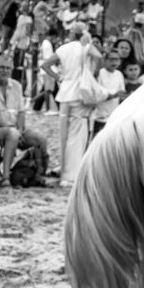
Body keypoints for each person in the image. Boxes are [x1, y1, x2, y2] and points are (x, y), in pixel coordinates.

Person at [42, 30, 102, 187]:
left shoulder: (63, 48)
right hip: (79, 92)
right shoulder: (85, 47)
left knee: (64, 136)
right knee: (77, 135)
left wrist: (59, 77)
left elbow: (45, 65)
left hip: (65, 91)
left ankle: (64, 172)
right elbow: (98, 56)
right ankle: (71, 174)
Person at [0, 53, 50, 186]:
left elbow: (21, 112)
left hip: (16, 128)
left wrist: (20, 129)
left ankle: (39, 176)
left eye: (8, 68)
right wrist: (10, 129)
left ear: (12, 70)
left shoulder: (17, 86)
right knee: (12, 134)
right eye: (1, 67)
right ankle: (6, 178)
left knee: (40, 140)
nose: (4, 71)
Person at [91, 50, 127, 136]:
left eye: (117, 59)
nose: (114, 62)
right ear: (105, 60)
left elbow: (121, 93)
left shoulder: (119, 74)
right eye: (111, 59)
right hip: (100, 116)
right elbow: (97, 95)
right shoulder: (99, 73)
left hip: (113, 116)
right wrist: (113, 95)